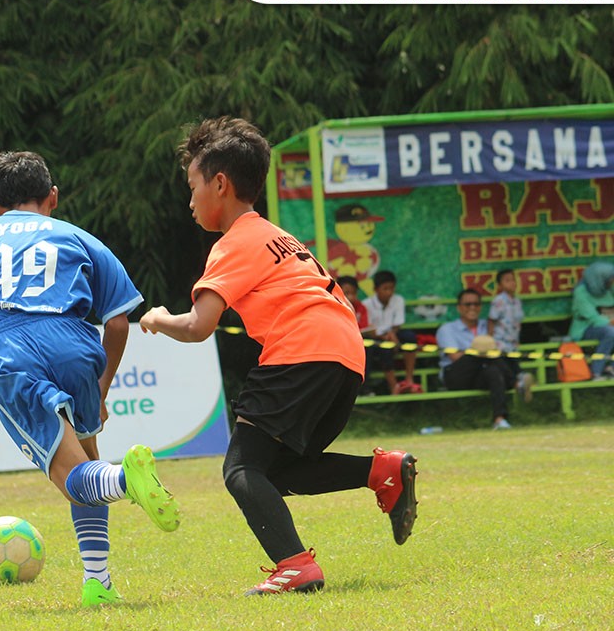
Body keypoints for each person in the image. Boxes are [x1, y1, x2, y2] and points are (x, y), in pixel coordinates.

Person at [138, 116, 418, 596]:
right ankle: (382, 471)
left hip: (302, 352)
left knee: (241, 469)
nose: (190, 201)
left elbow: (199, 326)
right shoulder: (277, 235)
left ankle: (295, 565)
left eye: (192, 186)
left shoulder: (234, 243)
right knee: (278, 470)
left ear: (220, 184)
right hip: (345, 357)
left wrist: (158, 317)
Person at [0, 151, 179, 608]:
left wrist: (3, 382)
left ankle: (125, 481)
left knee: (72, 474)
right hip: (76, 342)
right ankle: (97, 581)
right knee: (87, 456)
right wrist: (101, 387)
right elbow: (118, 323)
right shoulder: (80, 237)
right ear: (52, 197)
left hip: (9, 345)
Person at [436, 289, 516, 430]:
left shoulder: (488, 326)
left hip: (482, 373)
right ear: (459, 307)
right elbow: (455, 357)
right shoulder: (447, 329)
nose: (472, 307)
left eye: (476, 304)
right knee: (482, 354)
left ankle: (500, 419)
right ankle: (516, 380)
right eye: (468, 304)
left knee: (493, 370)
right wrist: (481, 352)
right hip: (456, 375)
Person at [362, 270, 421, 394]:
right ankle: (394, 386)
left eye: (391, 288)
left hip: (393, 333)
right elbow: (369, 329)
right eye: (385, 288)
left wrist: (392, 335)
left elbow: (397, 323)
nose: (389, 292)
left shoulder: (398, 300)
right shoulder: (366, 304)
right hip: (376, 337)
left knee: (410, 337)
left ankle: (409, 379)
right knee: (385, 348)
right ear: (376, 289)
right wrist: (385, 337)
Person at [487, 268, 534, 400]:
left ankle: (521, 382)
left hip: (512, 341)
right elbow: (491, 320)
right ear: (500, 285)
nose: (512, 283)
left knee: (512, 362)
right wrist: (489, 340)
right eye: (507, 281)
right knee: (505, 364)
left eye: (513, 280)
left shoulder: (517, 301)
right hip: (500, 341)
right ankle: (520, 381)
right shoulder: (498, 301)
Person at [569, 261, 614, 379]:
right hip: (586, 328)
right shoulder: (581, 293)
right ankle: (596, 372)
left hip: (609, 324)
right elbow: (592, 317)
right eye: (610, 279)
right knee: (611, 333)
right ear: (600, 278)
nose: (612, 282)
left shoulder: (608, 288)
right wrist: (610, 322)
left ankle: (611, 368)